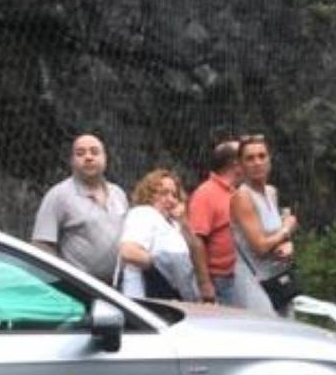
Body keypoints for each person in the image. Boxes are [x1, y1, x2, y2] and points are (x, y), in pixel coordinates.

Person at [32, 133, 129, 284]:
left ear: (105, 158)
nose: (88, 157)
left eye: (95, 152)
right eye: (80, 153)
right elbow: (42, 246)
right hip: (79, 289)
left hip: (117, 289)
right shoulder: (58, 195)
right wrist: (61, 283)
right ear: (72, 161)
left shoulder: (119, 194)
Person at [117, 169, 216, 302]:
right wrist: (161, 266)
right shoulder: (143, 213)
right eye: (163, 193)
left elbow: (194, 249)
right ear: (149, 195)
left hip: (171, 296)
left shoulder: (173, 224)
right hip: (145, 296)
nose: (170, 200)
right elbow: (129, 252)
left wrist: (183, 222)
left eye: (174, 195)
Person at [231, 135, 299, 316]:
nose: (257, 162)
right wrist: (287, 228)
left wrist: (287, 243)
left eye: (262, 156)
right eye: (250, 158)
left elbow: (276, 234)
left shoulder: (271, 192)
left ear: (269, 160)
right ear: (240, 165)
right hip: (255, 282)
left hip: (278, 276)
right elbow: (260, 246)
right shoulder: (242, 197)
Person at [188, 139, 243, 305]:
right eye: (246, 158)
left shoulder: (235, 192)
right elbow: (196, 240)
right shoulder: (206, 193)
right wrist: (205, 283)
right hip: (219, 280)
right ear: (236, 163)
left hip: (237, 276)